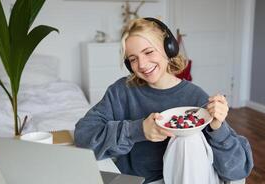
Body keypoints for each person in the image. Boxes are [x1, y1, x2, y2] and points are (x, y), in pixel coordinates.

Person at [74, 17, 253, 184]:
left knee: (188, 140)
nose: (142, 64)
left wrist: (218, 128)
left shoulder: (196, 98)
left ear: (169, 48)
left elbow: (238, 170)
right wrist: (138, 130)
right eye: (133, 59)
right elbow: (83, 137)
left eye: (148, 52)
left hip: (187, 178)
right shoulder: (121, 92)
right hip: (136, 180)